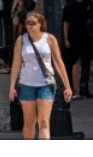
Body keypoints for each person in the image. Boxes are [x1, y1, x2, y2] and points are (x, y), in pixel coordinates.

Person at [8, 11, 71, 139]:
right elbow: (16, 64)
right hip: (26, 84)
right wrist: (12, 86)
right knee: (29, 123)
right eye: (28, 23)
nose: (30, 26)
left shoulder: (49, 39)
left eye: (33, 23)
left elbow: (59, 63)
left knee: (44, 122)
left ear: (40, 24)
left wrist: (67, 86)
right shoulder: (21, 40)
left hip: (46, 84)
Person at [61, 0, 93, 97]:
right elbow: (66, 23)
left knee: (85, 64)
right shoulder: (70, 6)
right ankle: (70, 87)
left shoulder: (89, 4)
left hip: (87, 39)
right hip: (73, 39)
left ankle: (84, 88)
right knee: (69, 63)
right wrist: (66, 39)